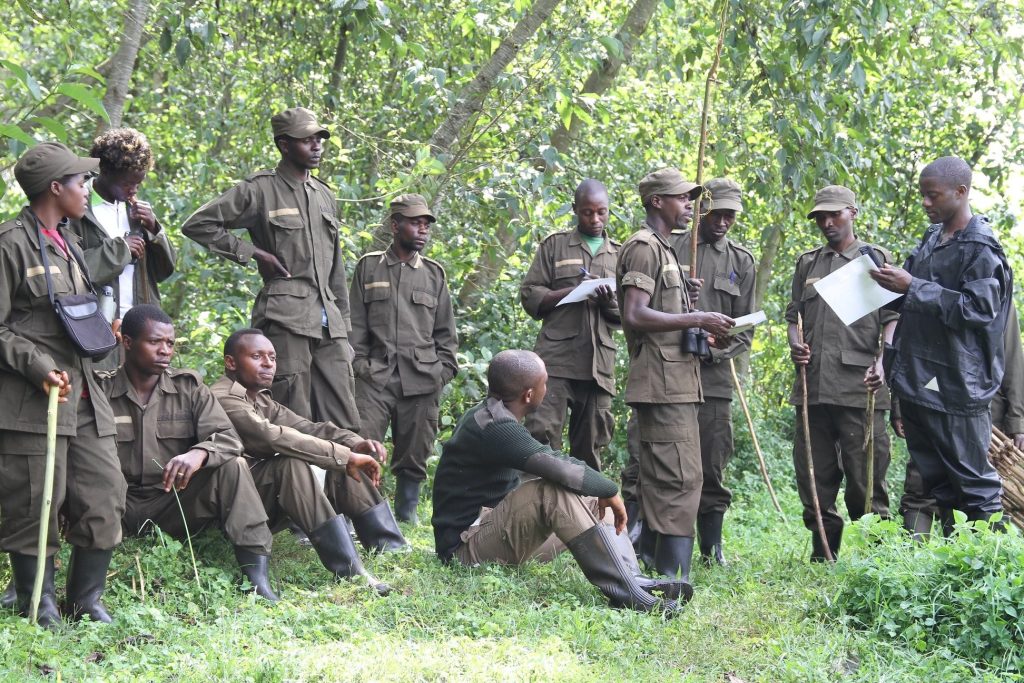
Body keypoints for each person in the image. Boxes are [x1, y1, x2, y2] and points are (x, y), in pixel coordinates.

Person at [431, 350, 688, 613]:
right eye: (545, 382)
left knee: (592, 500)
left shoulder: (494, 414)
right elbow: (556, 465)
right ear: (528, 395)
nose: (548, 388)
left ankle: (633, 579)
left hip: (491, 535)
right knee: (550, 491)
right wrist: (610, 489)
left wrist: (602, 492)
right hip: (465, 551)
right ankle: (625, 593)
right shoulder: (495, 426)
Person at [0, 142, 127, 626]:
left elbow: (71, 315)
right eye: (80, 181)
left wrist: (103, 334)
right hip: (36, 399)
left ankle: (86, 600)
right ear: (55, 188)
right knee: (36, 502)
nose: (87, 189)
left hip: (87, 394)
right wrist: (36, 366)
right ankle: (39, 603)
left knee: (105, 493)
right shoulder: (10, 244)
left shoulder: (70, 241)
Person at [181, 107, 359, 433]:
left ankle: (343, 468)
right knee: (291, 413)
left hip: (329, 324)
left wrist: (344, 331)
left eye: (319, 139)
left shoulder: (325, 195)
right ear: (284, 145)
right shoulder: (260, 189)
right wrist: (253, 253)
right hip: (286, 317)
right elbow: (199, 224)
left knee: (344, 418)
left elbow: (335, 269)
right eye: (307, 140)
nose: (316, 146)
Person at [101, 305, 282, 601]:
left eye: (170, 343)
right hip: (117, 504)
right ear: (128, 342)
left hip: (173, 503)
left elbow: (229, 438)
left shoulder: (189, 388)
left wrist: (199, 453)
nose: (165, 350)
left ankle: (257, 578)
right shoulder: (101, 389)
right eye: (154, 342)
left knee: (233, 465)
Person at [871, 156, 1013, 527]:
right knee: (940, 484)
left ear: (960, 192)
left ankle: (990, 559)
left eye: (932, 195)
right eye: (922, 194)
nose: (925, 202)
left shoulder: (982, 249)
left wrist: (912, 286)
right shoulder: (932, 238)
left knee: (975, 487)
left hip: (960, 387)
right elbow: (911, 297)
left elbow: (978, 310)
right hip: (921, 380)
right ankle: (955, 555)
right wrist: (883, 284)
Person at [615, 168, 734, 588]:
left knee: (668, 474)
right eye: (682, 198)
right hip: (662, 383)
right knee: (681, 476)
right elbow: (634, 314)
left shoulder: (665, 250)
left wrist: (691, 311)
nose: (689, 205)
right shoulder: (644, 247)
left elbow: (662, 314)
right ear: (656, 202)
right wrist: (697, 317)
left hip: (678, 380)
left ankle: (654, 563)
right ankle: (672, 575)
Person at [212, 327, 408, 560]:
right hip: (230, 506)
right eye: (257, 356)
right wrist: (344, 456)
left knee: (341, 463)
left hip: (253, 497)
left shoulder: (259, 399)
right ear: (231, 362)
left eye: (272, 357)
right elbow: (272, 436)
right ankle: (347, 566)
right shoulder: (223, 397)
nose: (268, 364)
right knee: (303, 463)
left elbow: (307, 427)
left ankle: (390, 547)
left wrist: (354, 443)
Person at [786, 184, 895, 561]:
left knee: (866, 479)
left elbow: (893, 319)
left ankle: (877, 560)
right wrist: (795, 343)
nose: (827, 223)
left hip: (858, 387)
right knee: (814, 476)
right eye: (821, 217)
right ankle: (823, 554)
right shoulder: (808, 263)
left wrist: (883, 362)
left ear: (853, 213)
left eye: (835, 214)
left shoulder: (874, 258)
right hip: (812, 386)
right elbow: (794, 317)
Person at [348, 194, 458, 523]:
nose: (423, 230)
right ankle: (362, 513)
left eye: (426, 224)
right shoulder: (369, 267)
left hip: (422, 379)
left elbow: (446, 335)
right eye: (415, 223)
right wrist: (359, 366)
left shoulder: (434, 274)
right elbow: (354, 326)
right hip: (375, 377)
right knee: (361, 443)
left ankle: (406, 515)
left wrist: (441, 373)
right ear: (395, 226)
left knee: (415, 452)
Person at [669, 178, 756, 565]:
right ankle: (650, 539)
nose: (722, 222)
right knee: (657, 456)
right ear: (701, 210)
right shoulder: (671, 246)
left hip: (715, 378)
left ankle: (711, 547)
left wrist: (717, 346)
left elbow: (745, 329)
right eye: (716, 214)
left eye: (730, 216)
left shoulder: (741, 261)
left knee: (712, 459)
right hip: (670, 370)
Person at [894, 306, 1024, 537]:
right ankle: (923, 557)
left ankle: (980, 554)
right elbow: (906, 345)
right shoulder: (924, 288)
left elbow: (1011, 357)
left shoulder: (992, 287)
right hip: (928, 398)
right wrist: (899, 405)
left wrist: (1017, 421)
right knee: (921, 487)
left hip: (980, 407)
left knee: (977, 489)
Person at [519, 179, 619, 472]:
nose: (595, 219)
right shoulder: (555, 246)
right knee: (540, 436)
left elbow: (629, 314)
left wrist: (607, 302)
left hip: (597, 366)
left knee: (591, 445)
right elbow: (530, 296)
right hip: (556, 361)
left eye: (601, 212)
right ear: (575, 209)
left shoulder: (621, 253)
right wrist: (573, 291)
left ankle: (585, 501)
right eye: (587, 212)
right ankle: (536, 498)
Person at [70, 127, 175, 370]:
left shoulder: (136, 210)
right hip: (96, 328)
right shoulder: (78, 208)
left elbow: (164, 271)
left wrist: (155, 230)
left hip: (141, 333)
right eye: (128, 183)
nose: (134, 190)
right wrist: (121, 250)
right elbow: (70, 272)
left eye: (139, 183)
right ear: (105, 172)